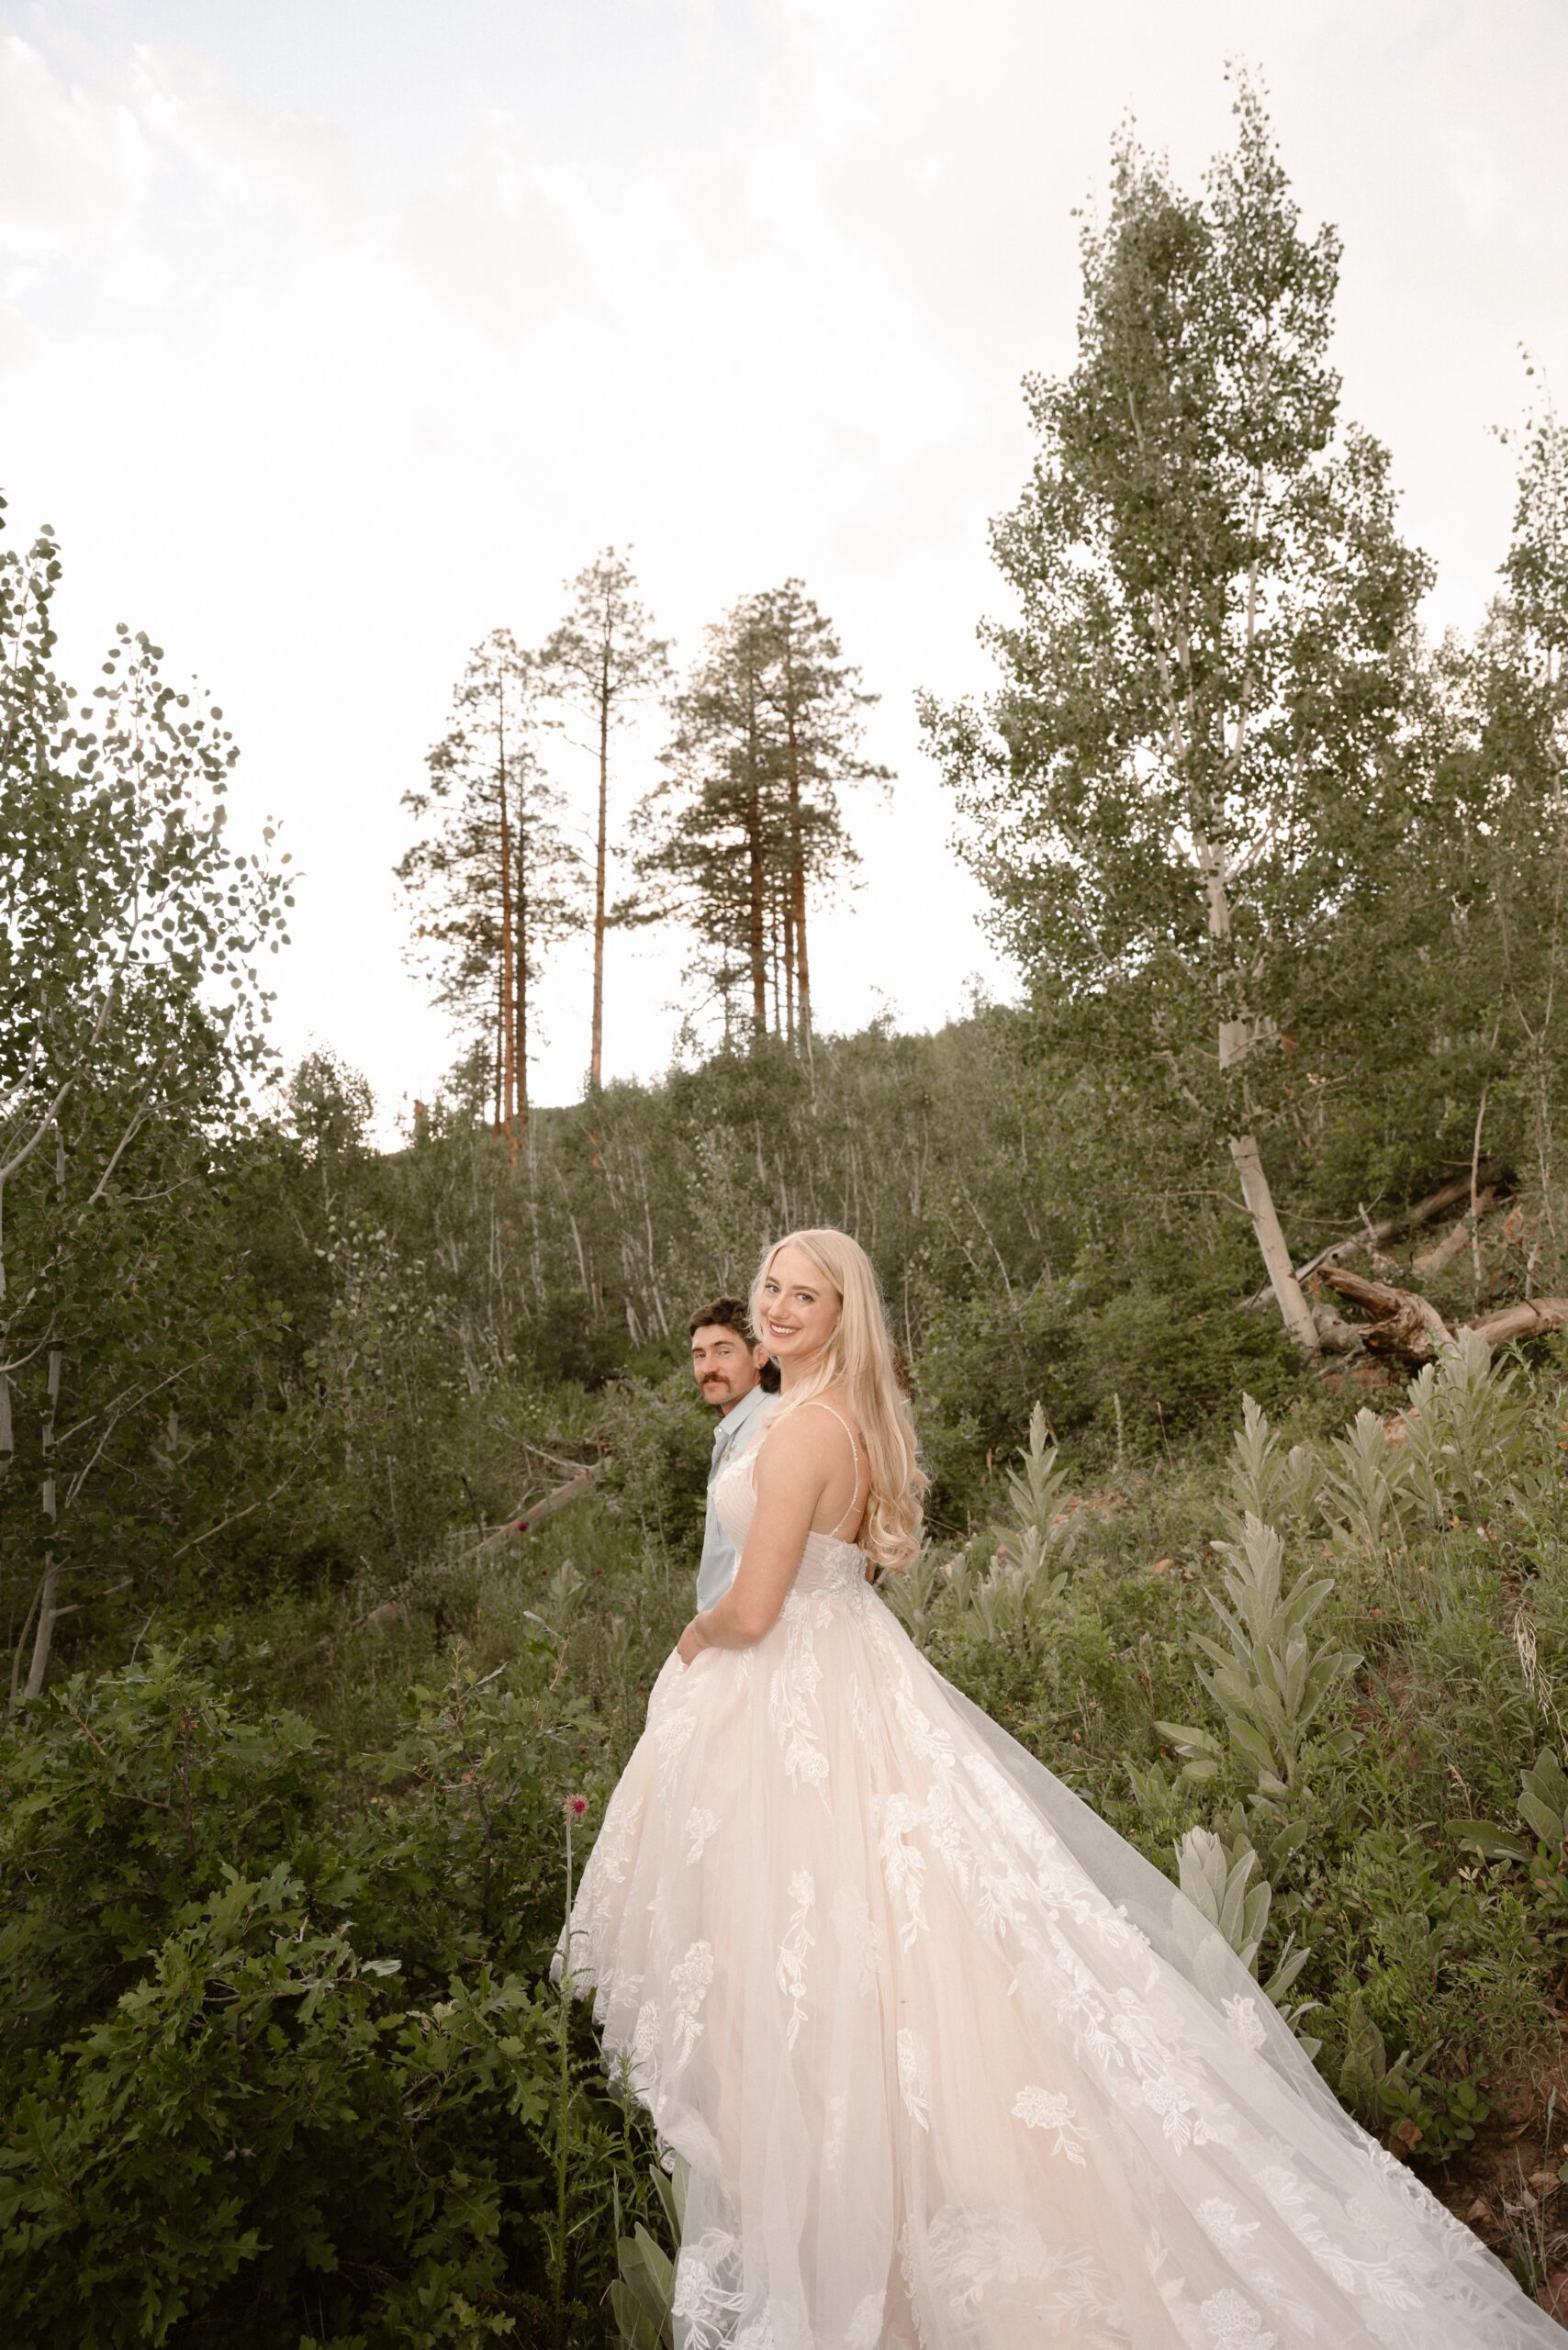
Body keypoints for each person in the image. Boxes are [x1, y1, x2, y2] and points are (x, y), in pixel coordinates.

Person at [558, 1228, 1560, 2347]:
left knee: (825, 1967)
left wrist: (690, 1644)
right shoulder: (846, 1423)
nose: (780, 1309)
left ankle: (886, 2252)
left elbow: (751, 1611)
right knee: (899, 1959)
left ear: (844, 1314)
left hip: (794, 1698)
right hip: (846, 1691)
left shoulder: (798, 1436)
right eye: (771, 1291)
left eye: (805, 1294)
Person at [689, 1294, 779, 1615]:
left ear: (760, 1356)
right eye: (699, 1355)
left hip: (745, 1627)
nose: (708, 1368)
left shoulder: (768, 1426)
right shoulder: (734, 1430)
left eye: (723, 1352)